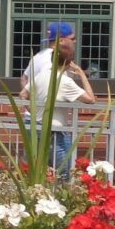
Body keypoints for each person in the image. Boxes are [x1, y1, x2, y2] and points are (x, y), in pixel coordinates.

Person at [27, 37, 95, 178]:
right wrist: (82, 74)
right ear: (69, 62)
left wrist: (33, 110)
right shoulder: (65, 81)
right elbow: (91, 99)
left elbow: (23, 94)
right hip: (55, 132)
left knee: (40, 172)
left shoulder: (41, 75)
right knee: (63, 173)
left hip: (36, 129)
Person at [20, 21, 75, 95]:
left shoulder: (38, 56)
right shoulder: (55, 58)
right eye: (72, 39)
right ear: (61, 40)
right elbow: (47, 79)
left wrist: (29, 98)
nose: (75, 41)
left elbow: (24, 79)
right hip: (50, 102)